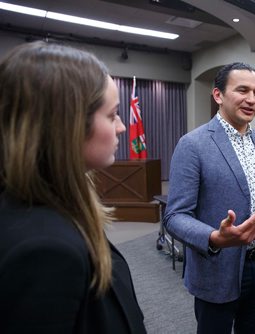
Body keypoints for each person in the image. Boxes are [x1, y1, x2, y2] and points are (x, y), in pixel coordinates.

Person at [0, 41, 147, 333]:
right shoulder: (43, 251)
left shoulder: (46, 206)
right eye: (111, 114)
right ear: (67, 125)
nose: (120, 127)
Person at [165, 62, 255, 334]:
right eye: (242, 90)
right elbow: (174, 216)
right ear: (218, 95)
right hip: (217, 267)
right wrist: (214, 237)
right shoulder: (193, 144)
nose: (251, 99)